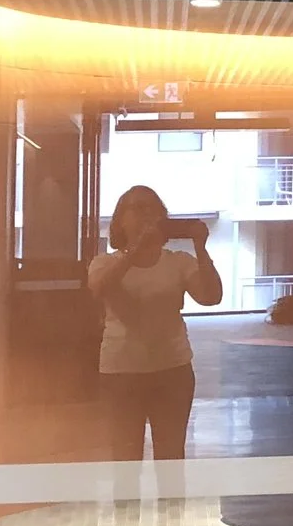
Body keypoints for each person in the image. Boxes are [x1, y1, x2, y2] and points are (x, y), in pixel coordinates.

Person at [88, 185, 222, 462]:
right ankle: (127, 508)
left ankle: (172, 508)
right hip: (120, 372)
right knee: (124, 459)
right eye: (136, 208)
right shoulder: (103, 262)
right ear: (120, 220)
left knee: (171, 457)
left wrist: (200, 247)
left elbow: (211, 297)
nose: (144, 215)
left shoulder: (179, 262)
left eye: (152, 208)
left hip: (172, 369)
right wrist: (135, 249)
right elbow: (100, 287)